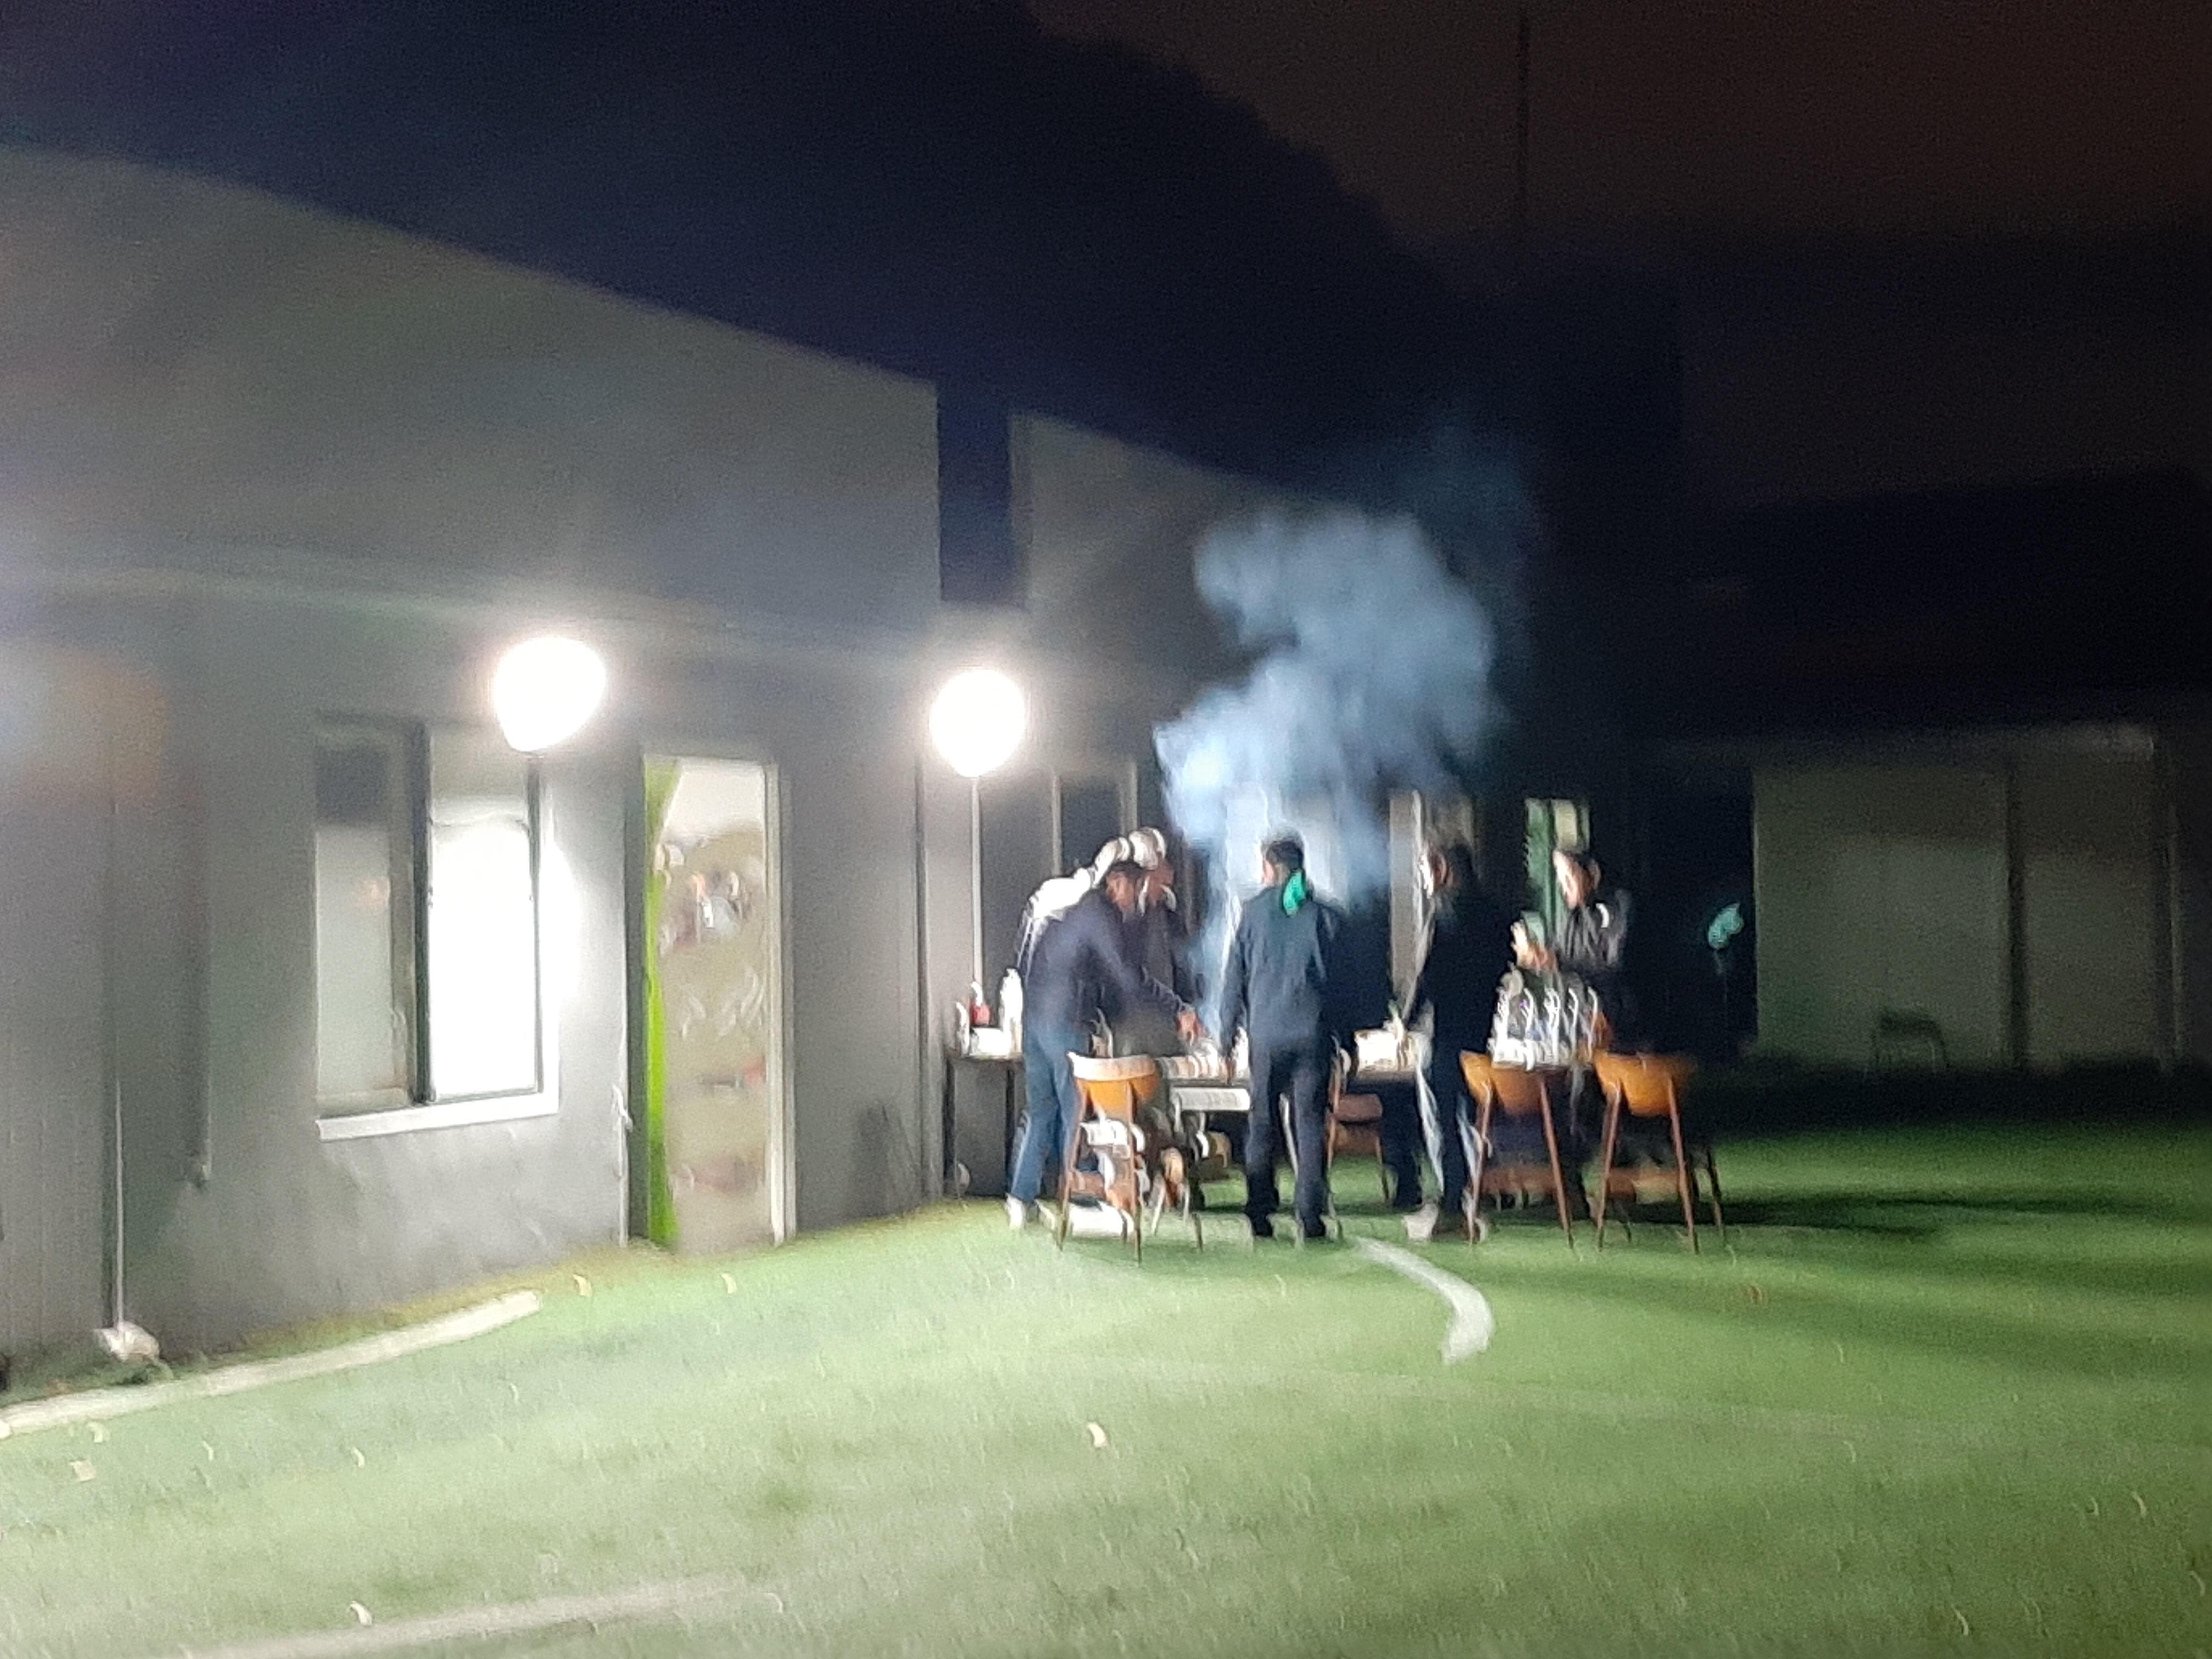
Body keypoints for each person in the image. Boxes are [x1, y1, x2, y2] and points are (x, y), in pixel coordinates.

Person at [1006, 858, 1201, 1229]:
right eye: (1136, 888)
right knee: (1076, 1113)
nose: (1134, 901)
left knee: (1041, 1111)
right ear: (1118, 883)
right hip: (1065, 1023)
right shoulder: (1101, 915)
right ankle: (1084, 1198)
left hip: (1034, 1021)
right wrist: (1177, 1009)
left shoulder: (1072, 913)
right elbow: (1126, 977)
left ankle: (1020, 1199)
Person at [1216, 832, 1351, 1242]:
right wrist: (1347, 1041)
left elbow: (1234, 979)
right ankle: (1310, 1215)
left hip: (1266, 1037)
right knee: (1309, 1124)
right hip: (1312, 1036)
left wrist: (1226, 1038)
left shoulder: (1252, 913)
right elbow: (1341, 987)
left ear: (1269, 868)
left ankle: (1260, 1210)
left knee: (1262, 1122)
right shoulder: (1326, 916)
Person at [1403, 842, 1513, 1243]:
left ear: (1442, 870)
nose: (1422, 878)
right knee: (1472, 1117)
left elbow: (1425, 974)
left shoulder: (1442, 911)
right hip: (1480, 1029)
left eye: (1424, 868)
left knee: (1441, 1118)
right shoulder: (1495, 913)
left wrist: (1404, 1022)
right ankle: (1478, 1194)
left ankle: (1452, 1200)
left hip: (1442, 1030)